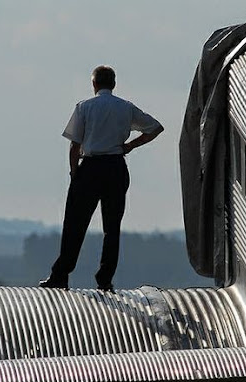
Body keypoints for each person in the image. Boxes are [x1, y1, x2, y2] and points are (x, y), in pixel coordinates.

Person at [40, 65, 164, 292]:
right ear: (113, 84)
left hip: (90, 167)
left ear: (94, 84)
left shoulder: (84, 107)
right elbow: (155, 128)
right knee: (112, 226)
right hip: (115, 167)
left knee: (75, 224)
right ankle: (104, 279)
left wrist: (74, 171)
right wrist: (130, 146)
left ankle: (61, 274)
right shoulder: (126, 108)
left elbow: (74, 144)